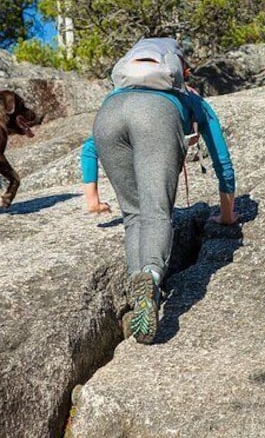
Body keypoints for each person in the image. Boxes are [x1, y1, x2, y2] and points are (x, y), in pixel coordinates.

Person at [80, 37, 238, 344]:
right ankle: (150, 278)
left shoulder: (117, 91)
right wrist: (228, 214)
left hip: (108, 118)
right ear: (181, 72)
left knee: (133, 216)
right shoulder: (190, 98)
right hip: (156, 117)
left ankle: (139, 295)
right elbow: (221, 159)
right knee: (155, 212)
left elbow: (89, 147)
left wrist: (92, 197)